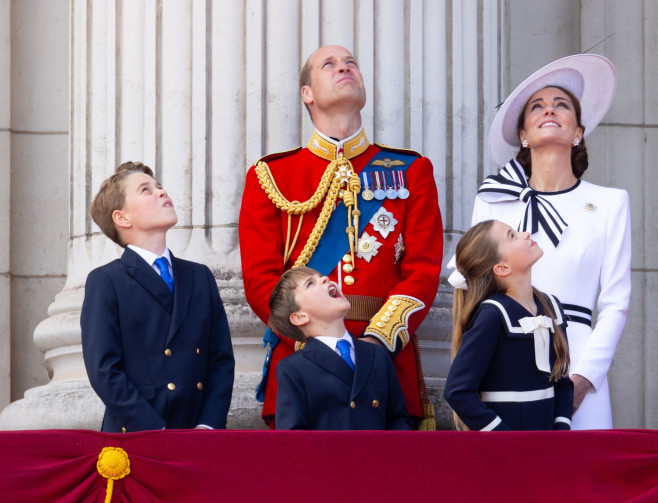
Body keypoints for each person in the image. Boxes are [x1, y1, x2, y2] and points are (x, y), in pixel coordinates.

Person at [239, 45, 443, 429]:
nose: (344, 67)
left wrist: (379, 342)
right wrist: (315, 343)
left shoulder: (411, 169)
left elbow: (423, 268)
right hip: (304, 362)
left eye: (351, 63)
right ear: (307, 93)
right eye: (329, 64)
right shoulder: (270, 176)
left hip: (386, 362)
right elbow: (260, 279)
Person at [472, 54, 630, 429]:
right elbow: (475, 289)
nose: (550, 110)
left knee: (583, 476)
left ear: (578, 132)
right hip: (506, 353)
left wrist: (584, 379)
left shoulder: (611, 203)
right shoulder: (493, 200)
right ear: (523, 135)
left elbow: (615, 303)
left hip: (578, 356)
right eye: (537, 106)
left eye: (562, 105)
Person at [80, 161, 235, 432]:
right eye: (146, 190)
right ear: (122, 218)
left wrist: (208, 426)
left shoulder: (200, 277)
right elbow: (104, 370)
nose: (162, 192)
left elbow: (220, 359)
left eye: (160, 187)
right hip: (138, 436)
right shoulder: (106, 281)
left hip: (197, 434)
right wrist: (153, 431)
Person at [444, 220, 573, 431]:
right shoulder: (493, 315)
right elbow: (457, 391)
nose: (525, 233)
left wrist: (561, 429)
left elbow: (562, 381)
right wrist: (503, 438)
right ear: (502, 268)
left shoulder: (551, 307)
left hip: (547, 449)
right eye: (512, 235)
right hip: (505, 454)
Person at [269, 267, 413, 430]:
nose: (325, 279)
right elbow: (292, 436)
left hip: (379, 454)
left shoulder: (377, 354)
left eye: (321, 276)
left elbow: (398, 420)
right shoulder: (294, 368)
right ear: (300, 317)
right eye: (310, 284)